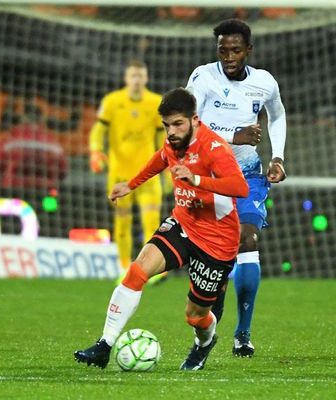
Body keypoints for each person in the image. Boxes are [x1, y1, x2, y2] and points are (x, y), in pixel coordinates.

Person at [74, 88, 249, 371]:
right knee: (137, 270)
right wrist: (130, 185)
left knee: (195, 316)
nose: (171, 131)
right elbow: (160, 158)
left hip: (217, 241)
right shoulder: (173, 143)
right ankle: (104, 345)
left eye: (178, 124)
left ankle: (204, 343)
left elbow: (239, 187)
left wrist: (197, 179)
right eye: (167, 125)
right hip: (183, 223)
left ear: (194, 120)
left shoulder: (214, 148)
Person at [186, 19, 287, 357]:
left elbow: (277, 115)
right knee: (218, 254)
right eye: (223, 50)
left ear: (248, 51)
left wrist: (279, 158)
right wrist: (234, 137)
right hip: (210, 178)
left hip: (247, 175)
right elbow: (191, 126)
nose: (228, 56)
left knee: (247, 237)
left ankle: (242, 334)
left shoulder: (264, 82)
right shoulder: (203, 78)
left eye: (235, 50)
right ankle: (208, 326)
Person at [89, 61, 166, 282]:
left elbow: (162, 137)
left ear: (146, 78)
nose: (137, 80)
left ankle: (149, 271)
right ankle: (124, 268)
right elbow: (98, 130)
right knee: (122, 222)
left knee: (151, 221)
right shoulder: (112, 101)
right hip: (120, 175)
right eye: (133, 75)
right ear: (126, 78)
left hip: (148, 175)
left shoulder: (155, 102)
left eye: (140, 76)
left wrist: (168, 169)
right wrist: (95, 151)